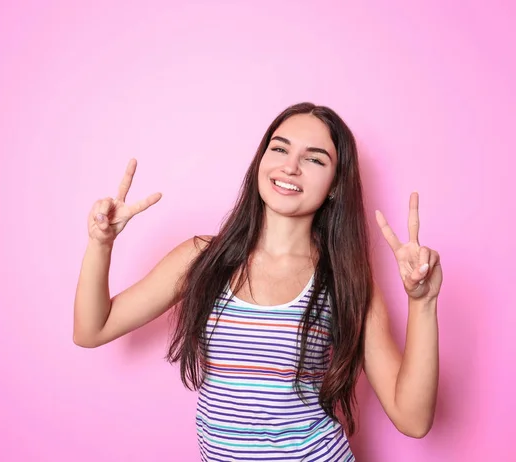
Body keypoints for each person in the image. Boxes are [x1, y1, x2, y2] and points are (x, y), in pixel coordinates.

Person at [73, 102, 442, 461]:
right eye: (279, 148)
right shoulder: (202, 258)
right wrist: (100, 243)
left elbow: (412, 419)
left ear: (334, 185)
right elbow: (92, 330)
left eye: (314, 159)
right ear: (261, 162)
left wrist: (422, 303)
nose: (290, 166)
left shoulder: (345, 281)